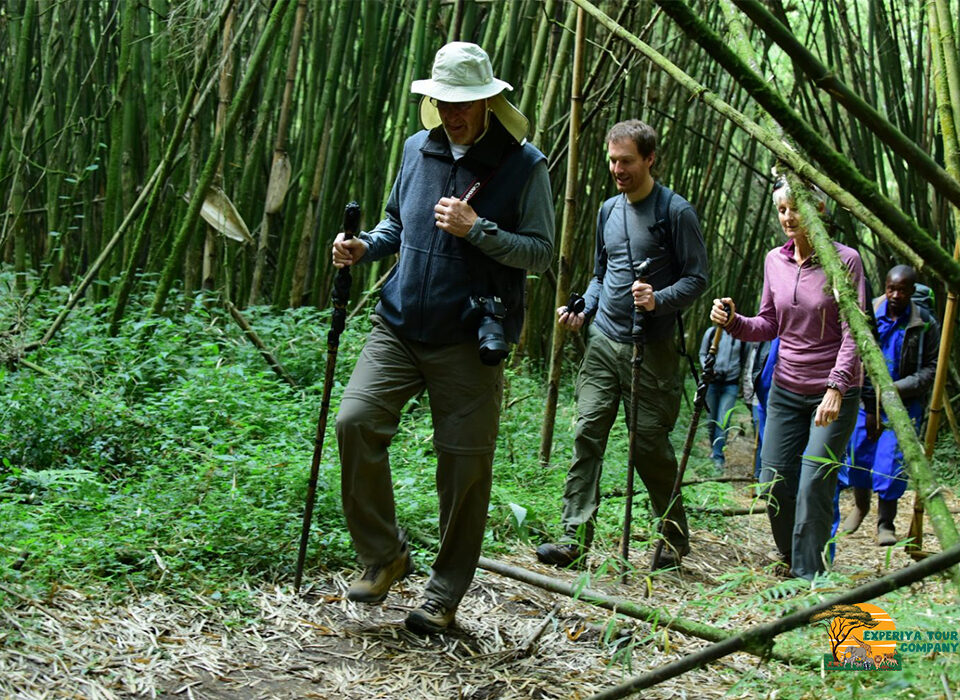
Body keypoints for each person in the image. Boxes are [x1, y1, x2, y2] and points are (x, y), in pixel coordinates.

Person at [331, 42, 554, 634]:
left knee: (464, 469)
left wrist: (478, 229)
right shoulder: (416, 149)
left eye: (464, 103)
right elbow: (394, 224)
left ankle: (444, 594)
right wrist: (363, 248)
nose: (452, 113)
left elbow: (540, 254)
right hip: (400, 322)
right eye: (441, 101)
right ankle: (384, 555)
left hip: (470, 335)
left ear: (489, 101)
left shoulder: (524, 165)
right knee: (354, 421)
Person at [535, 119, 708, 571]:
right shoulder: (607, 210)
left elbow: (697, 278)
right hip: (603, 342)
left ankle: (672, 538)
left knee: (648, 445)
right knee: (586, 432)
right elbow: (599, 275)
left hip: (652, 349)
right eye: (612, 160)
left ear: (650, 159)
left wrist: (658, 301)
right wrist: (583, 309)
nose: (617, 169)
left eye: (626, 160)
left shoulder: (676, 212)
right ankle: (574, 537)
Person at [710, 177, 865, 580]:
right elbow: (767, 323)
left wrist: (836, 385)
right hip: (785, 387)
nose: (787, 217)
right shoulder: (773, 260)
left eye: (795, 208)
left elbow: (854, 331)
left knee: (814, 481)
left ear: (820, 211)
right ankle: (792, 554)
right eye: (781, 209)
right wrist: (733, 322)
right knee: (774, 481)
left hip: (833, 393)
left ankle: (808, 573)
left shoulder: (845, 260)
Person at [840, 265, 939, 546]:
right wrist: (870, 404)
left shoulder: (925, 322)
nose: (895, 295)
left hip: (905, 404)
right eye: (890, 288)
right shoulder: (867, 313)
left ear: (911, 291)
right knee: (859, 455)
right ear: (884, 286)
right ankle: (860, 507)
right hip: (865, 399)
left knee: (890, 462)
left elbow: (932, 368)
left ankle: (886, 523)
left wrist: (896, 388)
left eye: (902, 290)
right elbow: (854, 357)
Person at [699, 326, 745, 473]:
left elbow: (744, 360)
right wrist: (708, 368)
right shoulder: (711, 332)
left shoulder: (742, 336)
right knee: (711, 420)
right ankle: (714, 449)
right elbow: (702, 354)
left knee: (723, 421)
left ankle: (718, 457)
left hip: (730, 383)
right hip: (712, 382)